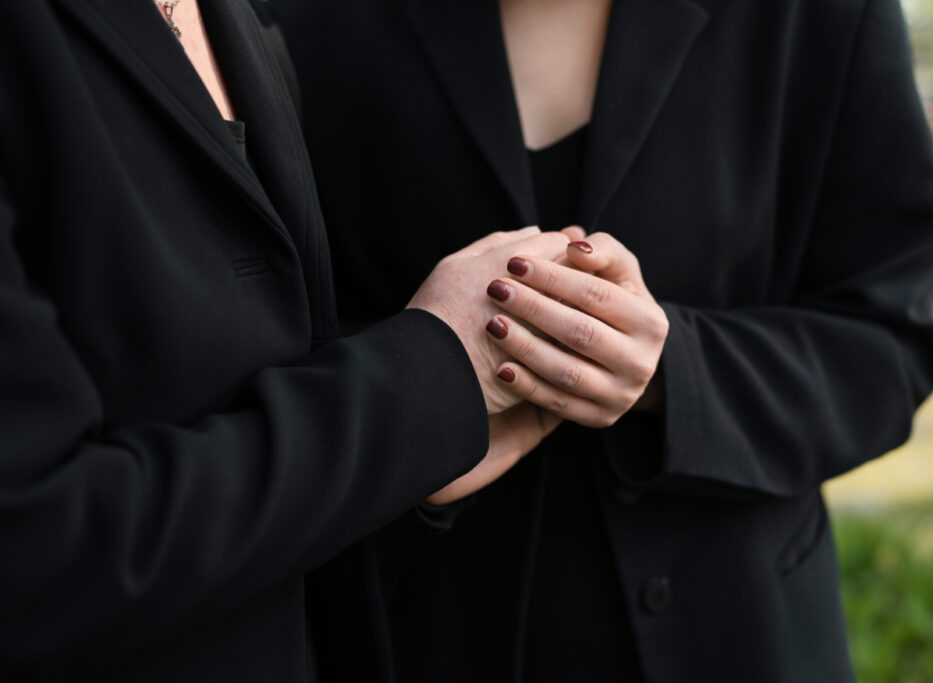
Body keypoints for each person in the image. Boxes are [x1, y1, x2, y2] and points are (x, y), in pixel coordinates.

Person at [277, 0, 933, 680]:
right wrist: (414, 411)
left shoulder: (817, 18)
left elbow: (889, 342)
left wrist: (675, 370)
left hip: (735, 632)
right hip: (425, 627)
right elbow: (267, 335)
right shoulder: (302, 23)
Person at [0, 1, 630, 679]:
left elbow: (234, 382)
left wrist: (436, 426)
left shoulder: (235, 18)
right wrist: (429, 381)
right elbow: (34, 552)